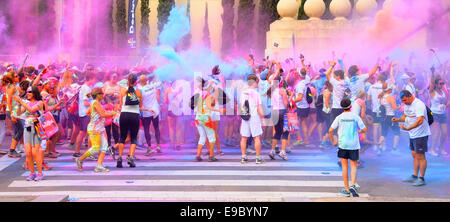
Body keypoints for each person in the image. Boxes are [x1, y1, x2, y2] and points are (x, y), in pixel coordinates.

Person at [392, 90, 431, 186]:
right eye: (403, 101)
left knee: (420, 156)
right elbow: (405, 116)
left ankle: (421, 178)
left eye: (405, 100)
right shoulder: (406, 104)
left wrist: (408, 128)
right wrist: (397, 119)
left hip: (421, 134)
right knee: (414, 154)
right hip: (412, 134)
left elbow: (420, 121)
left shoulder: (419, 105)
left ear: (410, 96)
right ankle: (414, 175)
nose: (404, 103)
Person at [329, 98, 367, 197]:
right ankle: (353, 185)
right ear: (351, 106)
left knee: (344, 167)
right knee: (354, 165)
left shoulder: (339, 117)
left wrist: (333, 141)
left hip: (343, 144)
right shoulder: (355, 116)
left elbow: (330, 130)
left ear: (342, 107)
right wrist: (359, 132)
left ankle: (346, 190)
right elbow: (364, 129)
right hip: (354, 144)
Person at [75, 88, 115, 172]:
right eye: (102, 93)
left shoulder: (94, 103)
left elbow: (88, 112)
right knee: (96, 148)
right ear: (98, 95)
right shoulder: (96, 103)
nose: (103, 95)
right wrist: (113, 113)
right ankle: (80, 159)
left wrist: (95, 116)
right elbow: (103, 114)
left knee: (104, 147)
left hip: (100, 128)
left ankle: (99, 166)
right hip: (95, 128)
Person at [15, 86, 45, 181]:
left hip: (36, 126)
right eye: (27, 92)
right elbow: (18, 113)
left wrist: (22, 102)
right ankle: (32, 172)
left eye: (30, 92)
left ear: (34, 93)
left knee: (35, 152)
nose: (27, 93)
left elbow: (32, 110)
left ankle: (40, 173)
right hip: (28, 126)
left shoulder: (40, 103)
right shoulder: (26, 103)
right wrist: (19, 104)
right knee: (28, 153)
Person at [193, 78, 225, 162]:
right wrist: (220, 110)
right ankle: (211, 156)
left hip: (198, 118)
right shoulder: (209, 95)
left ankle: (198, 156)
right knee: (212, 137)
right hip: (205, 118)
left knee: (202, 137)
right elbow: (211, 106)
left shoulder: (200, 95)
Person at [117, 74, 143, 168]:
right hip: (134, 115)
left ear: (128, 80)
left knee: (122, 137)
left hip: (124, 114)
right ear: (136, 81)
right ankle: (131, 158)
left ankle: (119, 158)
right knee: (133, 138)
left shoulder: (123, 90)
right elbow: (140, 106)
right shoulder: (139, 91)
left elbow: (120, 104)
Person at [240, 74, 265, 164]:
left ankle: (243, 157)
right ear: (254, 82)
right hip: (254, 117)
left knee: (244, 138)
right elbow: (259, 108)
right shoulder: (256, 94)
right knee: (256, 138)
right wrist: (263, 117)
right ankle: (258, 158)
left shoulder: (242, 93)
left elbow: (241, 106)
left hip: (245, 116)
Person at [73, 73, 97, 157]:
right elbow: (86, 102)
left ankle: (77, 151)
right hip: (86, 113)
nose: (95, 81)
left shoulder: (84, 87)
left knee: (82, 132)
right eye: (94, 79)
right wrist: (95, 103)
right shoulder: (87, 89)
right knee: (90, 133)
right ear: (90, 78)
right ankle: (90, 153)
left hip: (83, 113)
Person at [138, 73, 162, 155]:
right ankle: (158, 145)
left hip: (146, 111)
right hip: (155, 110)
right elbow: (159, 85)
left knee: (146, 129)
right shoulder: (153, 86)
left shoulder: (140, 90)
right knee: (156, 128)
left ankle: (149, 147)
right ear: (147, 80)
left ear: (140, 82)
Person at [429, 76, 449, 156]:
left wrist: (447, 104)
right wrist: (433, 74)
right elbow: (431, 83)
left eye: (443, 83)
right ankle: (432, 149)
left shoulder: (443, 93)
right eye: (440, 83)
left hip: (442, 114)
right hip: (434, 114)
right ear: (436, 84)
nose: (442, 85)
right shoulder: (432, 92)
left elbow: (445, 103)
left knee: (444, 133)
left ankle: (440, 148)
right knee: (436, 132)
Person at [379, 83, 400, 152]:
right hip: (391, 117)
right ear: (388, 90)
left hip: (384, 117)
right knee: (397, 132)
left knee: (383, 133)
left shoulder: (381, 97)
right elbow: (395, 108)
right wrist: (400, 106)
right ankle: (394, 149)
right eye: (391, 88)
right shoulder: (390, 97)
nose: (392, 89)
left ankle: (380, 149)